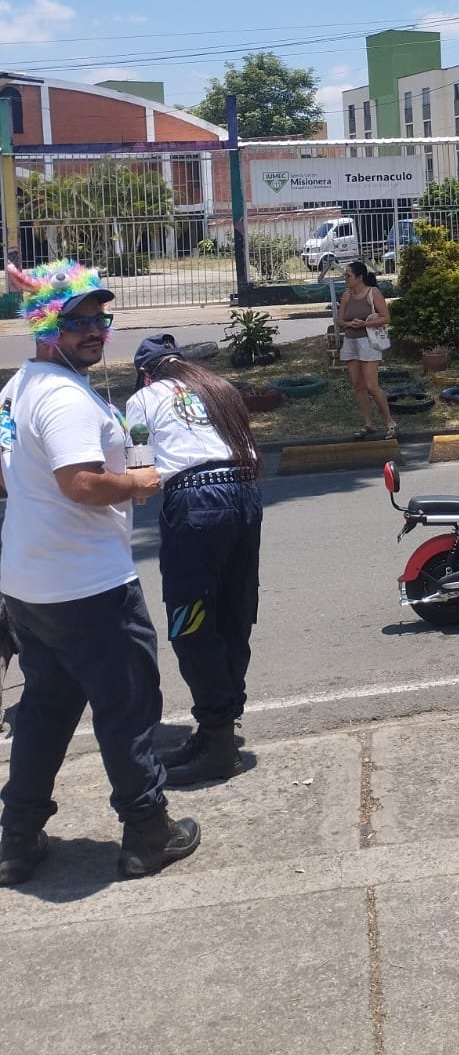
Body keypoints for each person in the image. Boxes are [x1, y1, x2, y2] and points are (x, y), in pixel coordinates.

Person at [0, 261, 199, 885]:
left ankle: (16, 839)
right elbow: (82, 483)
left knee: (45, 709)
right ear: (45, 326)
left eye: (100, 319)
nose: (94, 331)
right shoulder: (62, 397)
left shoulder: (17, 388)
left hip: (31, 585)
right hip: (90, 588)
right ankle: (148, 832)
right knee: (128, 708)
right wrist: (137, 483)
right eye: (77, 321)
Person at [126, 333, 264, 787]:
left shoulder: (143, 399)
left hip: (196, 504)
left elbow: (141, 477)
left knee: (191, 622)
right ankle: (217, 727)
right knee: (234, 612)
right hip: (245, 495)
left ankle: (218, 741)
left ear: (145, 373)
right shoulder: (219, 388)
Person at [336, 260, 395, 440]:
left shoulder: (373, 293)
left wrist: (365, 324)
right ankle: (368, 424)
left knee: (371, 385)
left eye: (348, 276)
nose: (345, 278)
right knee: (358, 385)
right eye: (345, 275)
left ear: (359, 277)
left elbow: (386, 318)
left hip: (368, 342)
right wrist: (349, 324)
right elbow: (340, 321)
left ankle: (390, 423)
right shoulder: (346, 295)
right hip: (351, 341)